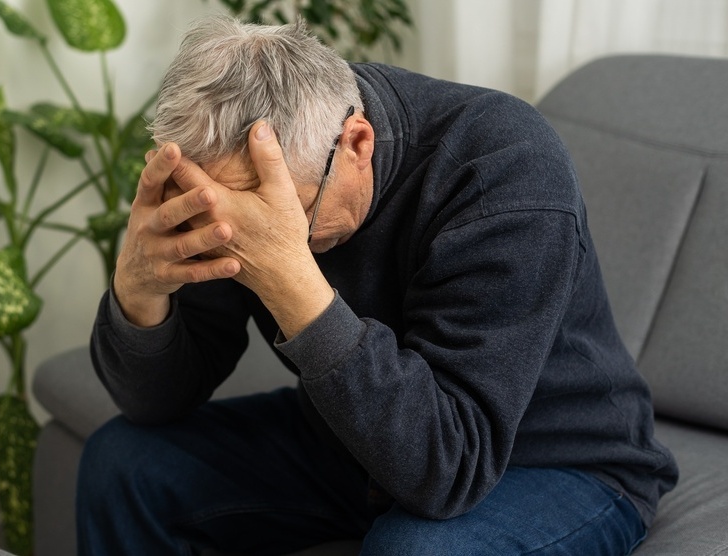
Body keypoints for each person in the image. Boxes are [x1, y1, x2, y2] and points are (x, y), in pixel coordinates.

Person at [77, 15, 678, 556]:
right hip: (349, 437)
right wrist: (139, 288)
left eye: (286, 218)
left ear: (358, 143)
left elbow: (448, 469)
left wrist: (287, 272)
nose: (241, 241)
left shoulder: (506, 166)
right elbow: (157, 403)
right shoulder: (249, 164)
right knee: (125, 464)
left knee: (415, 550)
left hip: (545, 457)